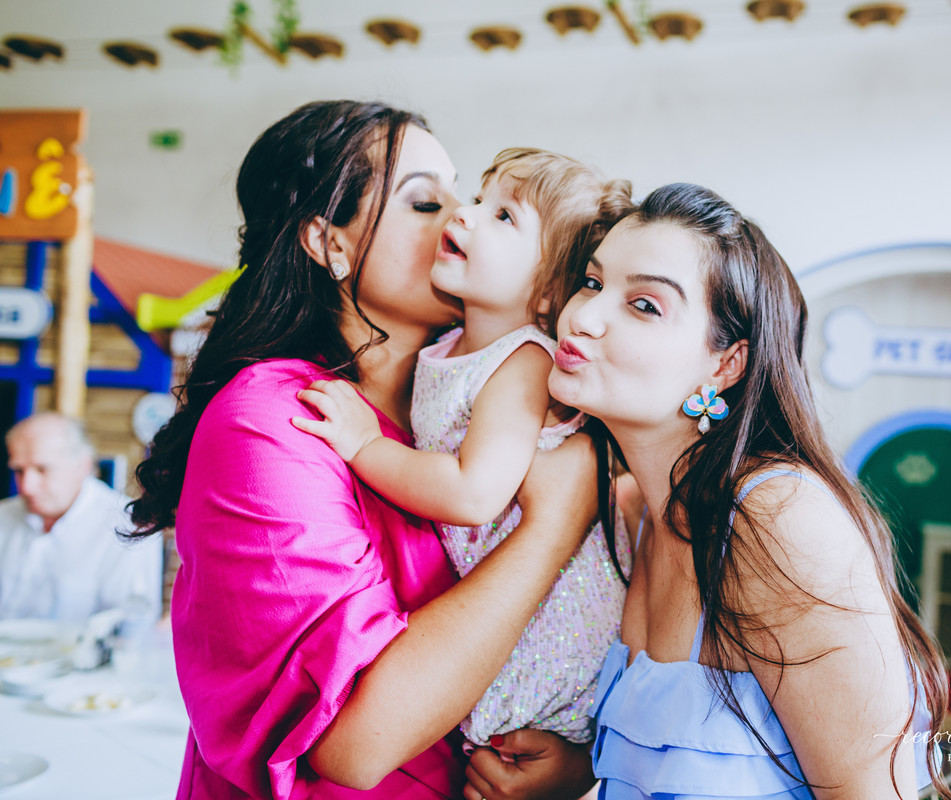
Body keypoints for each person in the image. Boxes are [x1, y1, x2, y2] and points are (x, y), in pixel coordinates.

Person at [125, 101, 597, 800]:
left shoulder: (462, 415)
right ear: (329, 242)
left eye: (468, 200)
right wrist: (551, 528)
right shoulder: (276, 420)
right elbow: (356, 742)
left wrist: (574, 758)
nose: (460, 220)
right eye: (425, 203)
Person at [544, 183, 951, 800]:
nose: (583, 316)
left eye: (645, 305)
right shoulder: (638, 511)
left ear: (726, 364)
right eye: (595, 283)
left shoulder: (774, 519)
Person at [293, 147, 633, 747]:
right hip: (499, 596)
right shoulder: (451, 343)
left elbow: (474, 492)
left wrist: (365, 443)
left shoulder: (524, 360)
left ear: (550, 291)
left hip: (549, 615)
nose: (465, 215)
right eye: (482, 198)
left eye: (504, 217)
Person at [0, 411, 162, 622]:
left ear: (82, 465)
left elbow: (132, 626)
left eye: (42, 469)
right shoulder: (4, 515)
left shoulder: (129, 527)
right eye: (19, 471)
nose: (27, 487)